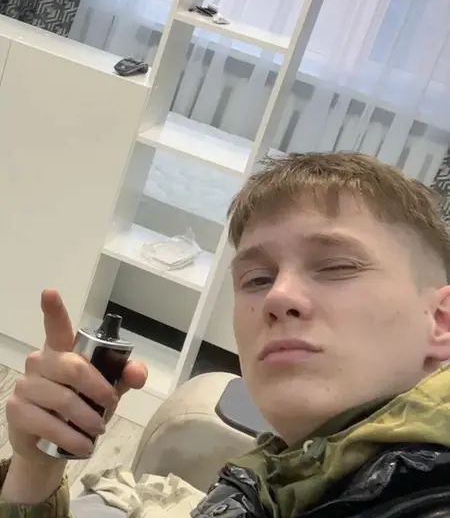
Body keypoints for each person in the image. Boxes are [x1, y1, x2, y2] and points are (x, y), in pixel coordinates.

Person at [2, 151, 450, 518]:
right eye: (257, 279)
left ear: (441, 320)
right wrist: (36, 468)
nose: (278, 295)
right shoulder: (286, 478)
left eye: (336, 266)